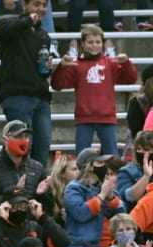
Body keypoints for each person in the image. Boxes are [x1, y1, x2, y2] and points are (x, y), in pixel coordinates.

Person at [50, 25, 136, 157]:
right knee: (82, 158)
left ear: (103, 44)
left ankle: (113, 178)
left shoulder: (110, 63)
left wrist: (126, 63)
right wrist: (61, 67)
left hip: (107, 118)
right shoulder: (75, 65)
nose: (94, 45)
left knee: (112, 157)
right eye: (90, 42)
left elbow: (130, 78)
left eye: (98, 42)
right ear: (82, 44)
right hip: (84, 119)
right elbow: (57, 85)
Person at [0, 0, 55, 167]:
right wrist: (27, 20)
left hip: (41, 97)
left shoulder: (43, 35)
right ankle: (19, 188)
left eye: (44, 5)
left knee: (42, 149)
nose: (41, 9)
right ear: (24, 5)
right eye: (36, 4)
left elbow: (40, 70)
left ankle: (37, 191)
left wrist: (48, 68)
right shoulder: (10, 25)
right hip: (17, 96)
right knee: (21, 150)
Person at [0, 120, 55, 226]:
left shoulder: (37, 167)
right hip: (1, 232)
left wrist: (41, 195)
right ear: (5, 140)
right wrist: (11, 195)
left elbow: (49, 206)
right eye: (18, 136)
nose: (23, 140)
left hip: (31, 231)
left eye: (26, 137)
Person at [117, 130, 153, 211]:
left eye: (146, 149)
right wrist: (146, 176)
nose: (142, 152)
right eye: (139, 149)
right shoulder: (127, 171)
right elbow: (129, 197)